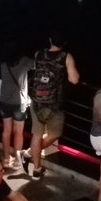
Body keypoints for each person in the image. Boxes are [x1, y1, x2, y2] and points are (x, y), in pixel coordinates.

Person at [25, 30, 80, 179]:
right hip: (54, 104)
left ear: (50, 40)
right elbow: (74, 79)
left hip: (36, 102)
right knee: (56, 134)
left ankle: (36, 168)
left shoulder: (38, 54)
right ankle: (29, 153)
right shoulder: (66, 57)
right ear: (65, 43)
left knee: (36, 135)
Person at [0, 43, 34, 168]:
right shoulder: (24, 61)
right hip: (19, 103)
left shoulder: (3, 62)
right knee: (19, 132)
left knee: (6, 131)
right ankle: (18, 160)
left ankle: (6, 158)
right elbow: (36, 65)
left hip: (4, 100)